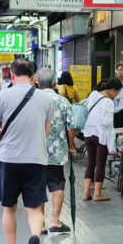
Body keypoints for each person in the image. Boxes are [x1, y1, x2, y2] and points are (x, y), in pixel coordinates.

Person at [0, 59, 53, 244]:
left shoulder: (2, 95)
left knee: (9, 207)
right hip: (35, 158)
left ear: (12, 75)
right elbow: (46, 132)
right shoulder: (45, 98)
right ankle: (34, 236)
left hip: (9, 159)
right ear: (33, 76)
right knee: (33, 207)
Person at [35, 68, 76, 234]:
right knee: (57, 184)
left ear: (37, 82)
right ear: (54, 83)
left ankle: (40, 225)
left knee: (39, 187)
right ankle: (55, 221)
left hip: (35, 152)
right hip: (57, 152)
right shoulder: (63, 101)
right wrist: (71, 146)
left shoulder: (33, 100)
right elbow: (71, 127)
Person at [82, 78, 122, 201]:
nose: (117, 95)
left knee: (90, 163)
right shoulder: (108, 102)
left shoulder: (93, 95)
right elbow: (107, 122)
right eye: (118, 92)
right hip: (101, 136)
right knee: (100, 164)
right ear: (112, 90)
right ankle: (97, 194)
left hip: (88, 133)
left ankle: (86, 193)